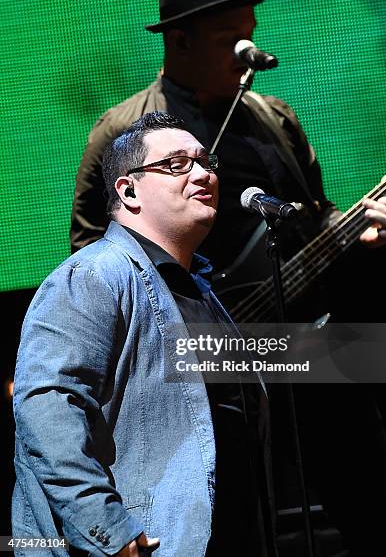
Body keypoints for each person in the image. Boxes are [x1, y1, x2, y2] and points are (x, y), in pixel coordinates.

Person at [70, 0, 386, 556]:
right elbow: (90, 257)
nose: (248, 49)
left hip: (306, 342)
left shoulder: (274, 117)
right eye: (230, 39)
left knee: (376, 512)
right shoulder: (122, 132)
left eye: (250, 32)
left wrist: (357, 228)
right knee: (230, 531)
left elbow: (312, 213)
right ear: (180, 40)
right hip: (198, 359)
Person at [13, 112, 277, 557]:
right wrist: (109, 528)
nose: (202, 173)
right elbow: (47, 403)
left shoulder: (197, 289)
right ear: (128, 189)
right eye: (176, 165)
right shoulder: (93, 274)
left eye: (206, 161)